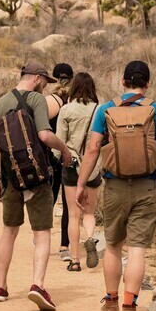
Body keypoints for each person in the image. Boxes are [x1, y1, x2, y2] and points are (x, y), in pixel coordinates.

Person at [76, 60, 156, 311]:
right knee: (137, 249)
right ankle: (129, 308)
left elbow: (92, 150)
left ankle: (111, 303)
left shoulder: (106, 110)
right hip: (147, 186)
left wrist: (81, 183)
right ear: (148, 84)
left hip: (115, 186)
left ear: (123, 82)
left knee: (113, 245)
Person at [0, 61, 72, 311]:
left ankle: (0, 287)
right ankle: (37, 285)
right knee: (42, 232)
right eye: (45, 81)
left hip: (11, 177)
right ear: (36, 78)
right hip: (36, 176)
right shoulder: (37, 100)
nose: (45, 86)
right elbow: (44, 135)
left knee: (9, 231)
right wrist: (64, 150)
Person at [56, 72, 102, 271]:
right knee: (89, 212)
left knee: (73, 215)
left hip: (71, 166)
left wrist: (58, 158)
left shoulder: (66, 110)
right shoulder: (100, 110)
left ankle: (75, 260)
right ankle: (90, 238)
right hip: (93, 167)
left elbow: (59, 140)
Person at [47, 63, 74, 260]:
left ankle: (42, 238)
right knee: (68, 204)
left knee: (49, 197)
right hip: (71, 156)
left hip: (51, 156)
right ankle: (65, 245)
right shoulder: (76, 102)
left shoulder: (48, 101)